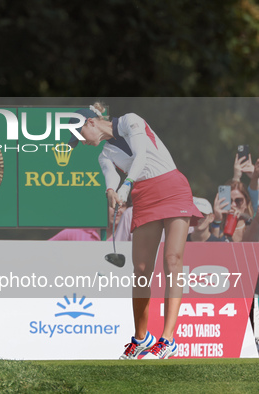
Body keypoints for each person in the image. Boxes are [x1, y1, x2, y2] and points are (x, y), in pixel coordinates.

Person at [68, 103, 202, 360]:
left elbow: (141, 156)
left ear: (91, 123)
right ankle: (141, 339)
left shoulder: (130, 120)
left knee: (173, 260)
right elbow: (110, 176)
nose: (81, 142)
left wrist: (126, 186)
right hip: (145, 197)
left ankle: (168, 339)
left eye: (80, 136)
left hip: (172, 187)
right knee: (140, 270)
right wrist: (110, 191)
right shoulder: (103, 154)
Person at [49, 204, 127, 241]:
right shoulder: (73, 233)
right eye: (112, 205)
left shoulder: (130, 237)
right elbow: (42, 249)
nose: (117, 210)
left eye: (122, 206)